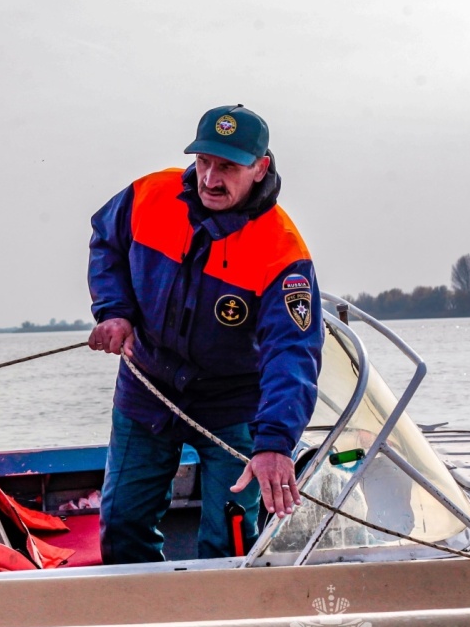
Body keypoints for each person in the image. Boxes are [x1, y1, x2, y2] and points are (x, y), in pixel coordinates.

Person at [87, 104, 323, 564]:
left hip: (234, 405)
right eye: (203, 163)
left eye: (228, 167)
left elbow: (293, 353)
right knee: (122, 525)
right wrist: (115, 311)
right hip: (147, 385)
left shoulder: (284, 254)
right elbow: (105, 241)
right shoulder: (147, 195)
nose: (211, 179)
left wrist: (275, 441)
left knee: (229, 540)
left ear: (260, 169)